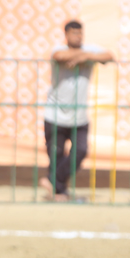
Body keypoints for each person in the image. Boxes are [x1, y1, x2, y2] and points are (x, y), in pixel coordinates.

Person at [41, 20, 114, 202]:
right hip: (55, 114)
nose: (78, 37)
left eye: (80, 33)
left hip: (79, 116)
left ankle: (52, 181)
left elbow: (109, 56)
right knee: (56, 155)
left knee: (80, 151)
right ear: (66, 35)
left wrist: (86, 56)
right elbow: (59, 56)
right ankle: (59, 193)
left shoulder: (89, 50)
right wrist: (85, 56)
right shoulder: (59, 49)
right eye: (74, 33)